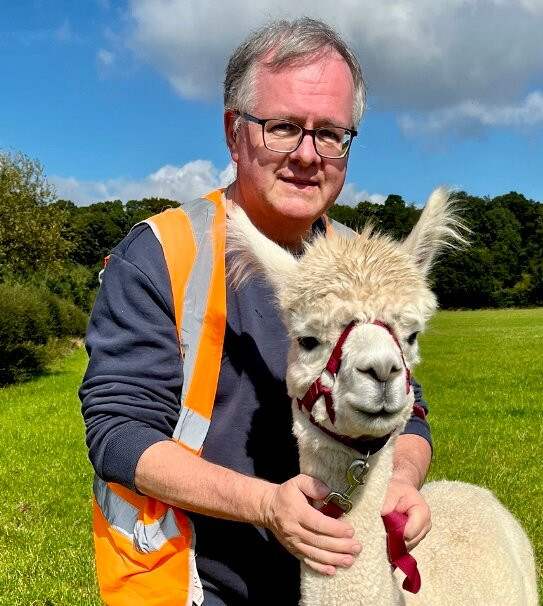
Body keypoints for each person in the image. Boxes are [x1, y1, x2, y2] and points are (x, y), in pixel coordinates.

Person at [80, 17, 432, 606]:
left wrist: (401, 479)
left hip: (336, 579)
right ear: (233, 132)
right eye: (284, 127)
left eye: (331, 134)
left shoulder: (362, 262)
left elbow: (409, 410)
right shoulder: (164, 255)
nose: (307, 154)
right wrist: (265, 505)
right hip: (196, 577)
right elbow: (119, 433)